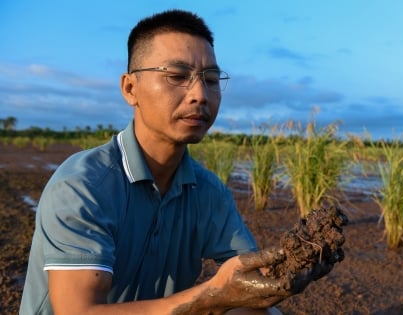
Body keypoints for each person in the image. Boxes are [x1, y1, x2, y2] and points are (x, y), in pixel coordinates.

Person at [19, 9, 333, 315]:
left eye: (211, 79)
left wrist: (287, 269)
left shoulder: (209, 194)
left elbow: (244, 285)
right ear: (130, 88)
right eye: (177, 76)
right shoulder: (82, 186)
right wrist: (212, 296)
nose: (200, 94)